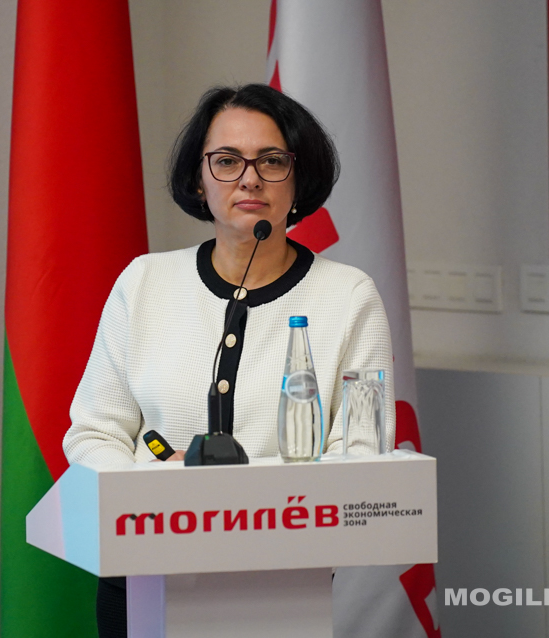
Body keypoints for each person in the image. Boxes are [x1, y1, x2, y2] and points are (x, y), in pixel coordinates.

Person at [62, 84, 396, 637]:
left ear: (299, 178)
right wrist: (156, 497)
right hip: (144, 572)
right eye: (226, 161)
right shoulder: (144, 282)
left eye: (272, 161)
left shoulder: (348, 295)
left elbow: (360, 450)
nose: (250, 178)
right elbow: (94, 433)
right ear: (199, 179)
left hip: (279, 581)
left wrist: (249, 506)